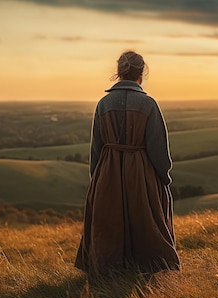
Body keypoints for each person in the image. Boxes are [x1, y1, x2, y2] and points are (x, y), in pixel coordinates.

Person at [74, 51, 181, 274]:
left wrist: (97, 180)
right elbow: (158, 148)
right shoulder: (148, 104)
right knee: (146, 221)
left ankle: (109, 270)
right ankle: (150, 267)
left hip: (108, 171)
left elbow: (96, 147)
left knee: (109, 222)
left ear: (119, 72)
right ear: (141, 74)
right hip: (140, 172)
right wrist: (163, 177)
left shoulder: (103, 104)